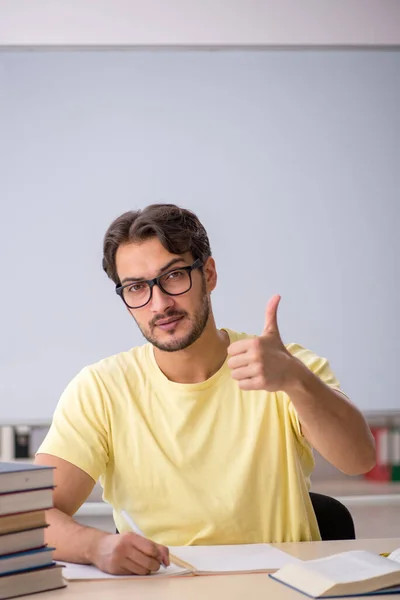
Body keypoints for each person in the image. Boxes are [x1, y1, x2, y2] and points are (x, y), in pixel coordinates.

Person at [35, 203, 375, 576]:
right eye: (136, 288)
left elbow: (359, 459)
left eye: (175, 276)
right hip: (164, 586)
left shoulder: (282, 366)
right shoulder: (101, 389)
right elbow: (30, 515)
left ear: (208, 274)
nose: (160, 303)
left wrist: (297, 380)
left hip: (283, 585)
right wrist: (94, 546)